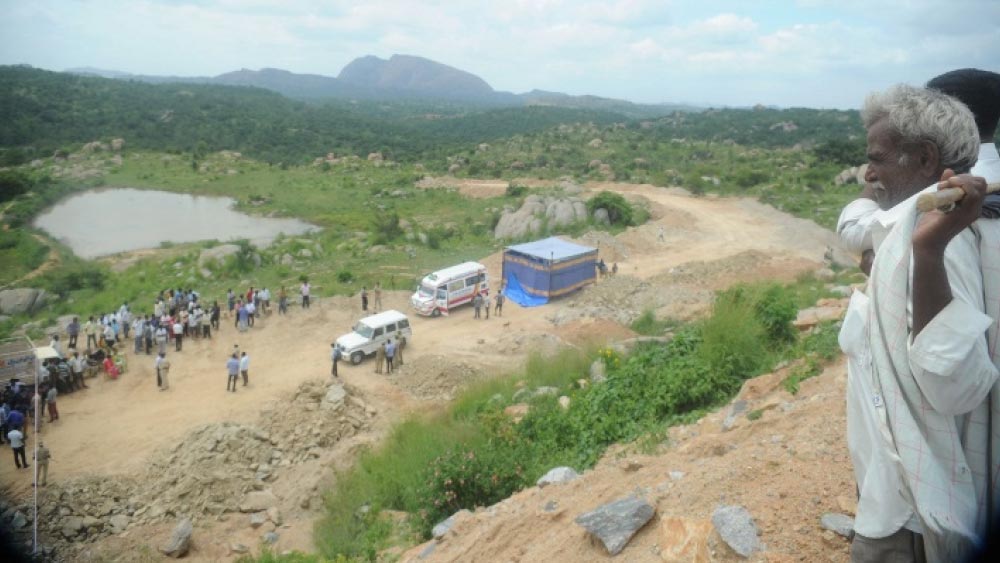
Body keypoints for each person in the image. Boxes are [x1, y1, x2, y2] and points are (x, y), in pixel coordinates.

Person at [839, 84, 997, 562]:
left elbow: (955, 387)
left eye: (878, 159)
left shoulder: (940, 239)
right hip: (898, 496)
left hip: (912, 514)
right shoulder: (920, 225)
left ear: (926, 158)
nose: (869, 174)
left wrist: (927, 253)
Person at [838, 68, 1000, 276]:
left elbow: (853, 231)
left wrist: (887, 269)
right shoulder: (986, 191)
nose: (869, 175)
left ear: (925, 158)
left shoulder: (941, 225)